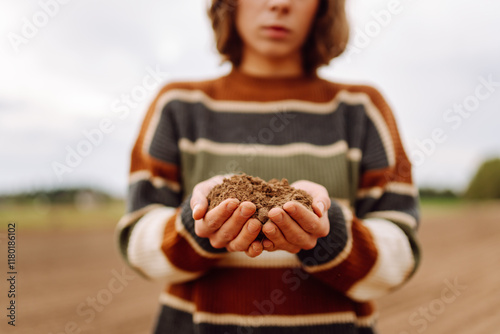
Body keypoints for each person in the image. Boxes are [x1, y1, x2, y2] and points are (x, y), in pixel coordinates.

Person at [115, 0, 421, 333]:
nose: (279, 4)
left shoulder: (361, 110)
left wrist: (326, 231)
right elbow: (137, 243)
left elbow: (400, 253)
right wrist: (199, 221)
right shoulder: (179, 106)